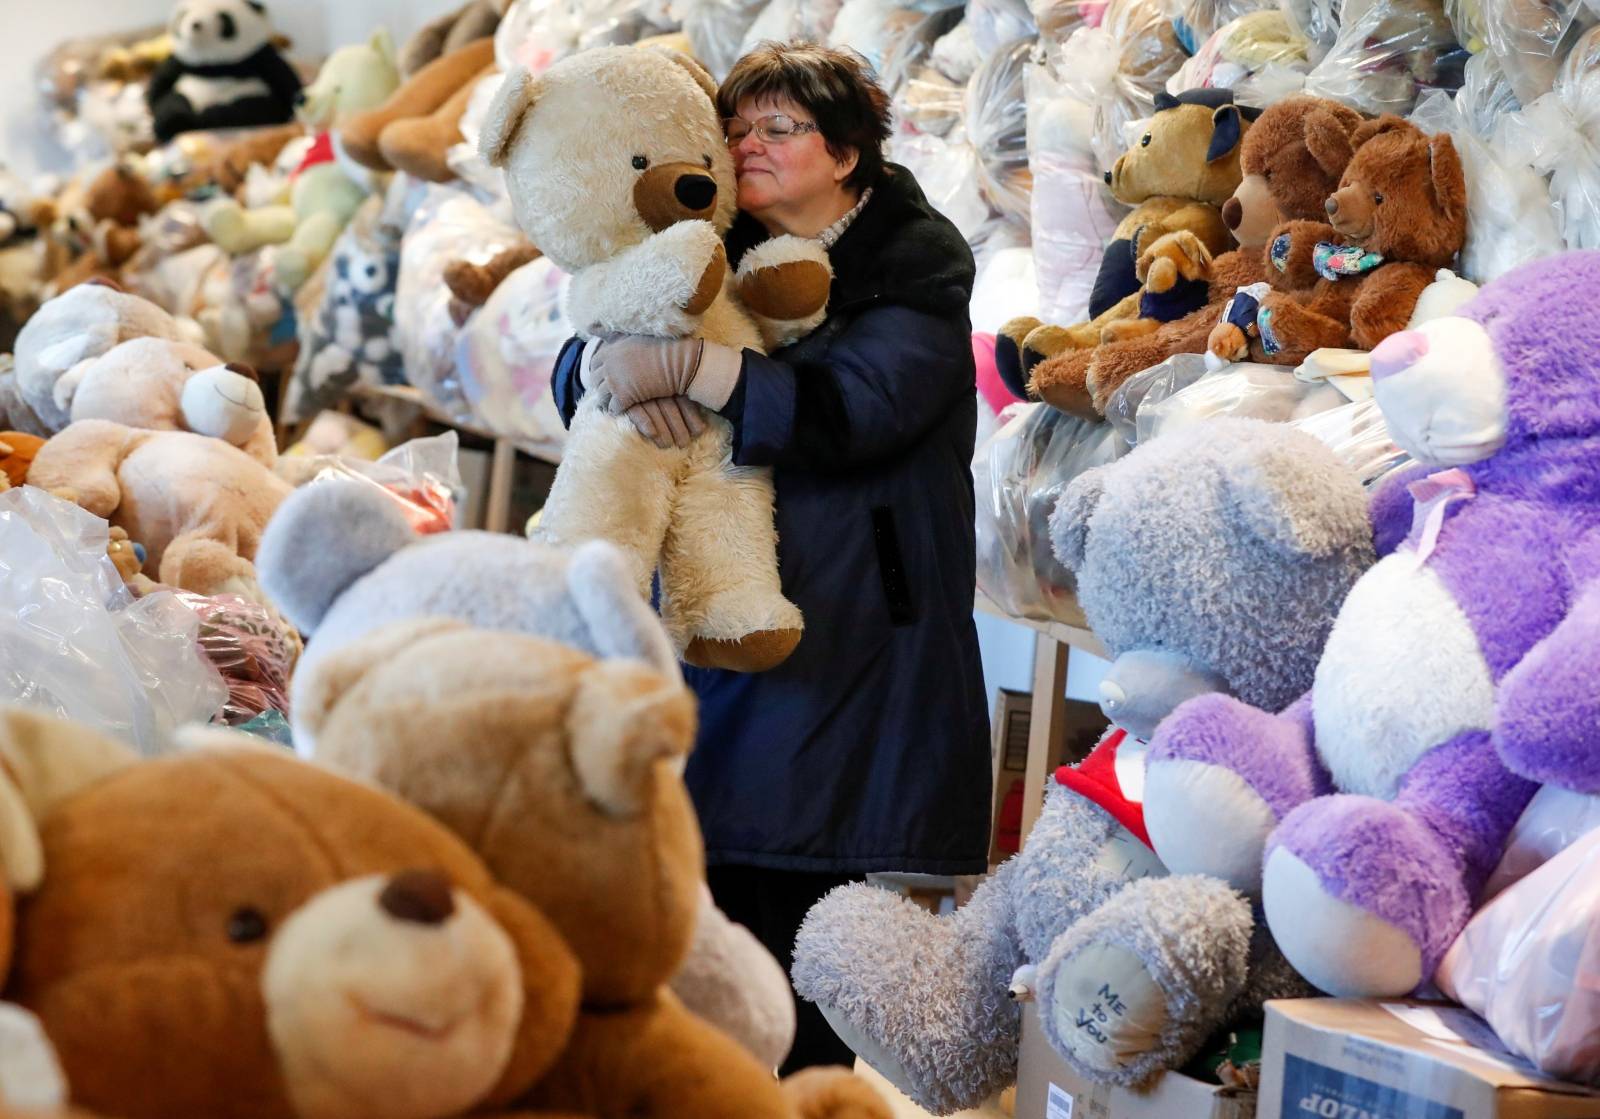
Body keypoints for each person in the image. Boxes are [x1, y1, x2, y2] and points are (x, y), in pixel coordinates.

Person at [548, 41, 991, 1074]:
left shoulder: (911, 271)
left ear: (844, 153)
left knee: (803, 935)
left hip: (854, 636)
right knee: (708, 908)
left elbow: (856, 411)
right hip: (722, 628)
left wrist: (701, 369)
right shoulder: (703, 241)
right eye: (738, 128)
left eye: (779, 129)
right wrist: (602, 368)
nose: (749, 147)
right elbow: (593, 332)